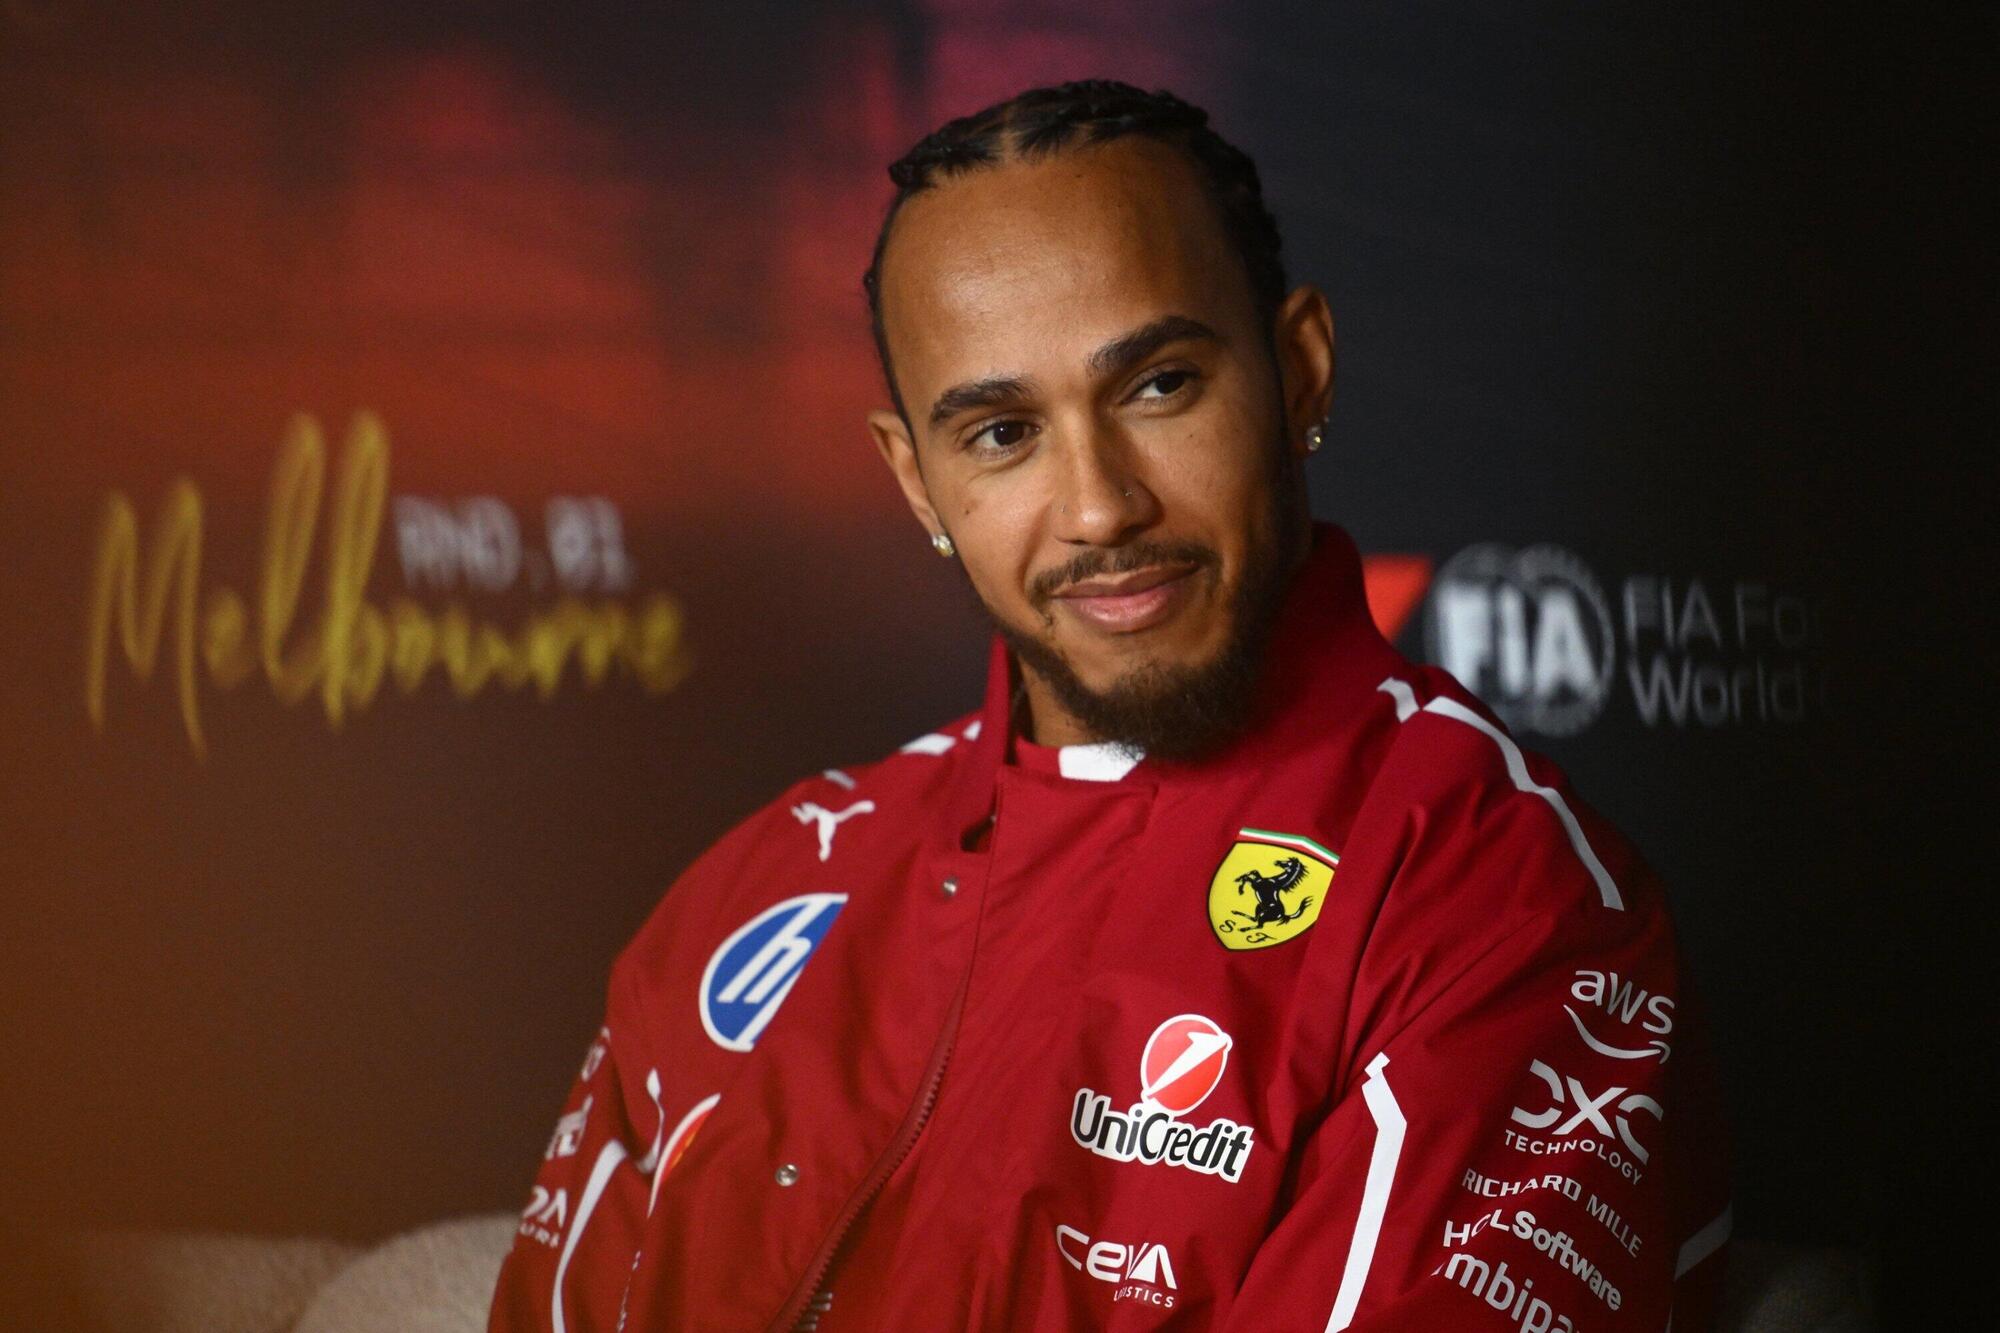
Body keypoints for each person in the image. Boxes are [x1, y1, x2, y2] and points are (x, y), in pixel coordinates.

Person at [488, 79, 1731, 1332]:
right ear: (916, 482)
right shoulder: (749, 897)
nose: (1097, 507)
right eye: (1000, 433)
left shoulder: (1486, 891)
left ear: (1298, 372)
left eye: (1158, 386)